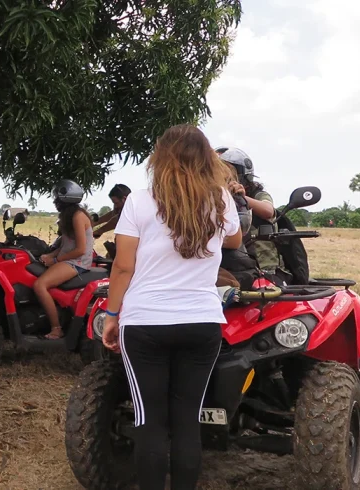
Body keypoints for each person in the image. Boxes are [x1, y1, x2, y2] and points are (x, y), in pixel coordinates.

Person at [101, 124, 243, 490]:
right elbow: (236, 238)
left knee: (150, 423)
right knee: (186, 422)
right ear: (207, 159)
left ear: (160, 157)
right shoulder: (219, 200)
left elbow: (122, 266)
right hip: (201, 322)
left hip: (145, 324)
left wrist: (112, 315)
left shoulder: (139, 201)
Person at [33, 180, 95, 340]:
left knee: (40, 285)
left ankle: (56, 328)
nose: (55, 202)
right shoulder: (69, 216)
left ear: (65, 200)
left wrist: (56, 260)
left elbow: (80, 249)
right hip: (69, 259)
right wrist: (50, 255)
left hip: (77, 262)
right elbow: (67, 245)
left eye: (57, 199)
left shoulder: (78, 217)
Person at [216, 147, 284, 277]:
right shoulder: (215, 197)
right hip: (229, 266)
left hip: (264, 268)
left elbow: (268, 210)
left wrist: (240, 197)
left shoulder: (258, 194)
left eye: (228, 171)